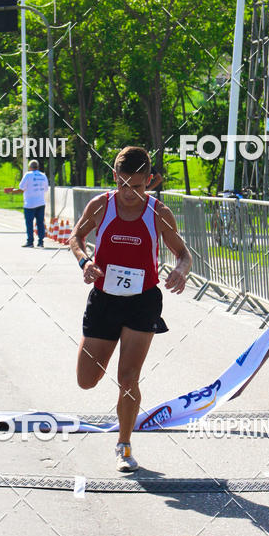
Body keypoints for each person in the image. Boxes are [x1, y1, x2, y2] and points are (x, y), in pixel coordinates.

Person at [70, 146, 192, 472]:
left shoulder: (158, 213)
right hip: (104, 300)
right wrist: (85, 261)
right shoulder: (101, 206)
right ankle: (96, 353)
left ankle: (124, 444)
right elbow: (76, 237)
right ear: (114, 177)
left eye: (136, 186)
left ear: (149, 182)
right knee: (87, 379)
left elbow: (183, 253)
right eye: (123, 184)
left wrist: (181, 270)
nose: (128, 193)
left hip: (143, 301)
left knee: (128, 377)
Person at [14, 160, 49, 248]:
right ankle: (41, 241)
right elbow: (45, 189)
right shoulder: (43, 175)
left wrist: (14, 191)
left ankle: (30, 241)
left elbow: (21, 187)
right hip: (41, 202)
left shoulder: (28, 175)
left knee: (29, 223)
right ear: (38, 167)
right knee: (40, 222)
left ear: (30, 167)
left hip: (30, 203)